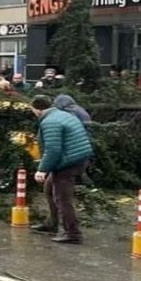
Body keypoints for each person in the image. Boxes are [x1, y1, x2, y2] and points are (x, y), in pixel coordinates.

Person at [30, 95, 94, 244]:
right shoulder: (62, 114)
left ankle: (73, 233)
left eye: (32, 110)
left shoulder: (50, 122)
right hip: (78, 157)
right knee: (49, 188)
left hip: (69, 162)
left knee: (62, 198)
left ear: (38, 109)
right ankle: (52, 223)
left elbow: (53, 149)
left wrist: (42, 169)